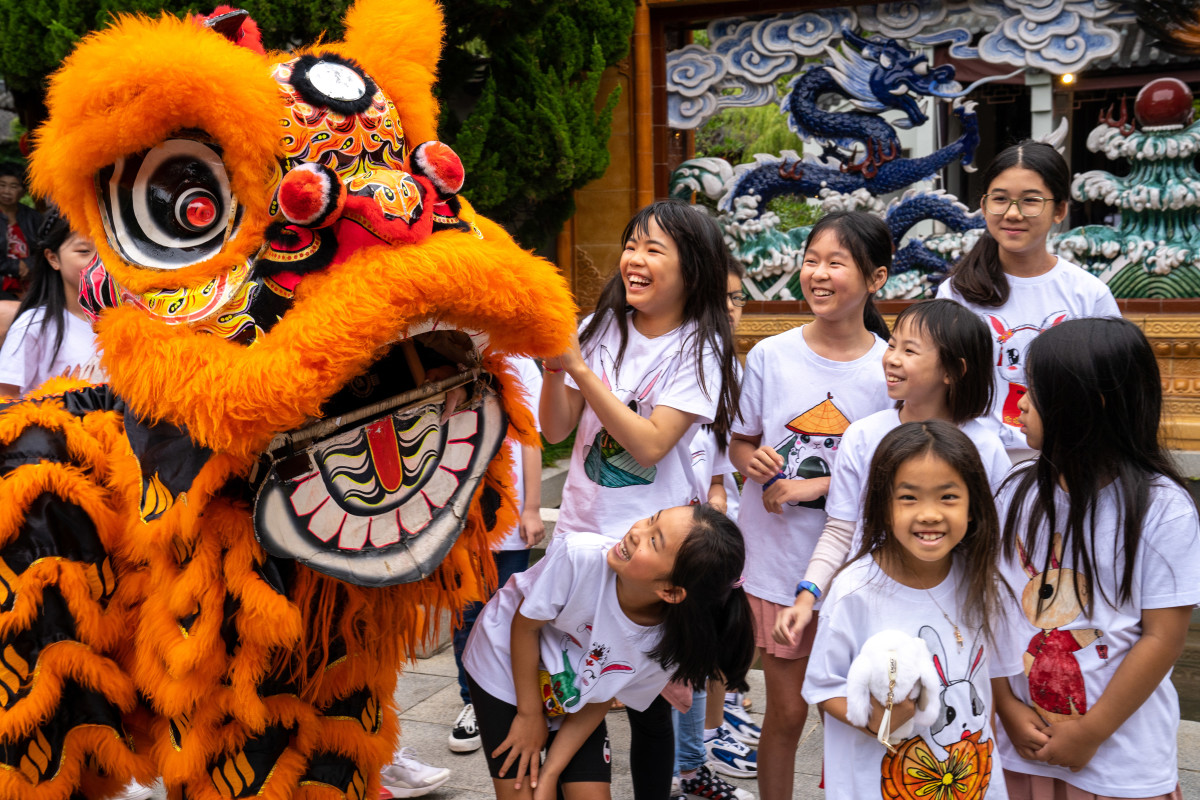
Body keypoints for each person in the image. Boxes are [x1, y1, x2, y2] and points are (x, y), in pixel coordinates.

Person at [539, 199, 740, 800]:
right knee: (573, 680)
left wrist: (579, 366)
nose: (635, 259)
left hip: (656, 548)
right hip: (582, 531)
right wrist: (556, 373)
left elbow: (652, 445)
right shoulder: (600, 327)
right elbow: (554, 431)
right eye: (632, 245)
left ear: (693, 270)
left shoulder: (702, 348)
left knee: (648, 697)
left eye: (655, 250)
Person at [991, 318, 1200, 800]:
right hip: (1021, 746)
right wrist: (1004, 703)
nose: (1020, 403)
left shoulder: (1162, 509)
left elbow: (1163, 637)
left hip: (1119, 759)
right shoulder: (1016, 493)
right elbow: (994, 610)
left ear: (1091, 405)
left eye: (1037, 393)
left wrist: (1091, 732)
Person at [727, 211, 893, 800]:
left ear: (875, 279)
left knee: (849, 716)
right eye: (810, 260)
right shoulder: (772, 356)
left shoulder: (890, 367)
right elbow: (741, 439)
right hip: (776, 566)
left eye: (835, 264)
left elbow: (897, 474)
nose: (817, 275)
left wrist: (814, 487)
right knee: (788, 712)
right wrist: (752, 460)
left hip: (858, 575)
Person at [461, 504, 755, 800]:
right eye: (651, 519)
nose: (636, 532)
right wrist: (529, 715)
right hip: (504, 659)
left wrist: (551, 772)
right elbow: (525, 627)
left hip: (572, 685)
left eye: (654, 541)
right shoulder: (580, 556)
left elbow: (600, 695)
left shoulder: (668, 645)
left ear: (671, 591)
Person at [773, 298, 1010, 648]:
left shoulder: (985, 448)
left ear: (953, 370)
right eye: (893, 344)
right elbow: (841, 530)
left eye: (910, 350)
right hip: (870, 609)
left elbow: (997, 545)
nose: (892, 358)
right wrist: (807, 597)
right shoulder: (864, 435)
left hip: (953, 614)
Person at [803, 420, 1012, 799]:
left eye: (948, 497)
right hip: (885, 783)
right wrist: (879, 721)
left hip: (971, 779)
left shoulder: (981, 580)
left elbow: (983, 685)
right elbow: (822, 685)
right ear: (883, 507)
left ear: (973, 506)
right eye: (909, 497)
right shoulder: (855, 591)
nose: (929, 514)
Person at [938, 140, 1119, 463]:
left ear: (1060, 210)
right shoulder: (956, 294)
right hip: (973, 463)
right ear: (984, 204)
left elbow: (1112, 386)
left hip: (1064, 465)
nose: (1012, 213)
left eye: (1031, 201)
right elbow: (937, 385)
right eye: (1000, 199)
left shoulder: (1088, 294)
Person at [672, 258, 755, 800]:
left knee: (702, 650)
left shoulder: (732, 364)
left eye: (738, 296)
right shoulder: (672, 353)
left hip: (707, 530)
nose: (729, 306)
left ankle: (695, 757)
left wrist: (720, 496)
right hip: (665, 528)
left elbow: (721, 452)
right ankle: (684, 762)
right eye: (719, 295)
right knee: (672, 657)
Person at [449, 356, 546, 754]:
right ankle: (472, 702)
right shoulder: (451, 351)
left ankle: (509, 696)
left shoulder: (521, 363)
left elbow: (532, 438)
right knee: (466, 613)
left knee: (509, 613)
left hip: (508, 514)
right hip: (460, 514)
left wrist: (533, 508)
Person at [0, 208, 99, 397]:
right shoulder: (34, 327)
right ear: (53, 258)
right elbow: (4, 406)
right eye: (84, 251)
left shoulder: (137, 320)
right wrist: (60, 403)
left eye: (107, 251)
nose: (99, 261)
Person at [0, 163, 41, 296]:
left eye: (13, 186)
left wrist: (29, 264)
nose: (6, 191)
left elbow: (46, 247)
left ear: (23, 191)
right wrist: (16, 267)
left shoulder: (33, 217)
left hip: (31, 280)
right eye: (2, 185)